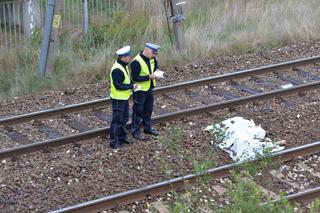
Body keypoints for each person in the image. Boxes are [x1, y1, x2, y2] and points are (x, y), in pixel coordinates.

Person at [130, 43, 161, 140]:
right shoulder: (136, 62)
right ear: (147, 50)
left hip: (148, 88)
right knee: (138, 111)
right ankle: (135, 131)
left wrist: (158, 73)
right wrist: (149, 77)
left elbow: (155, 67)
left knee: (148, 109)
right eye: (153, 53)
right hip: (139, 89)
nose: (154, 55)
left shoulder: (152, 59)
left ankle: (147, 128)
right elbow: (134, 78)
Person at [109, 45, 137, 149]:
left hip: (123, 98)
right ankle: (113, 142)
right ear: (123, 57)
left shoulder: (124, 65)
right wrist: (131, 86)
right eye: (128, 56)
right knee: (117, 120)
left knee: (124, 118)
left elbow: (127, 80)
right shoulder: (117, 69)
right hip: (118, 98)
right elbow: (118, 85)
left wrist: (132, 84)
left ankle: (121, 138)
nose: (130, 57)